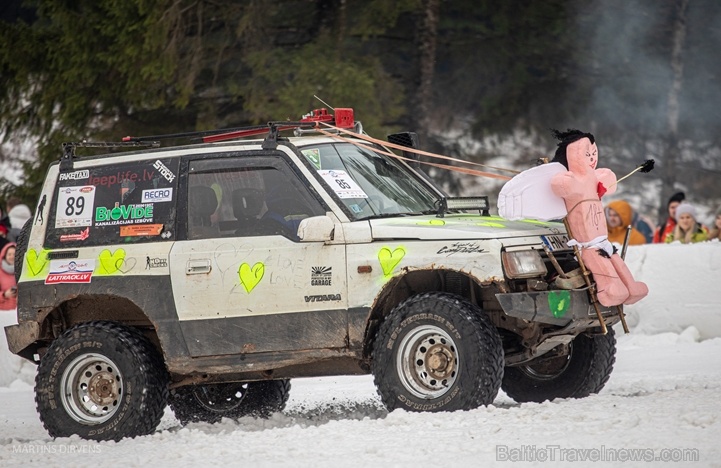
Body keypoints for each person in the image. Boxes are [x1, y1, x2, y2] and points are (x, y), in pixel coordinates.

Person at [0, 242, 17, 311]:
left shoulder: (24, 271)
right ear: (4, 256)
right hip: (3, 312)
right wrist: (4, 294)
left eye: (14, 254)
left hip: (20, 311)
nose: (12, 257)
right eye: (9, 254)